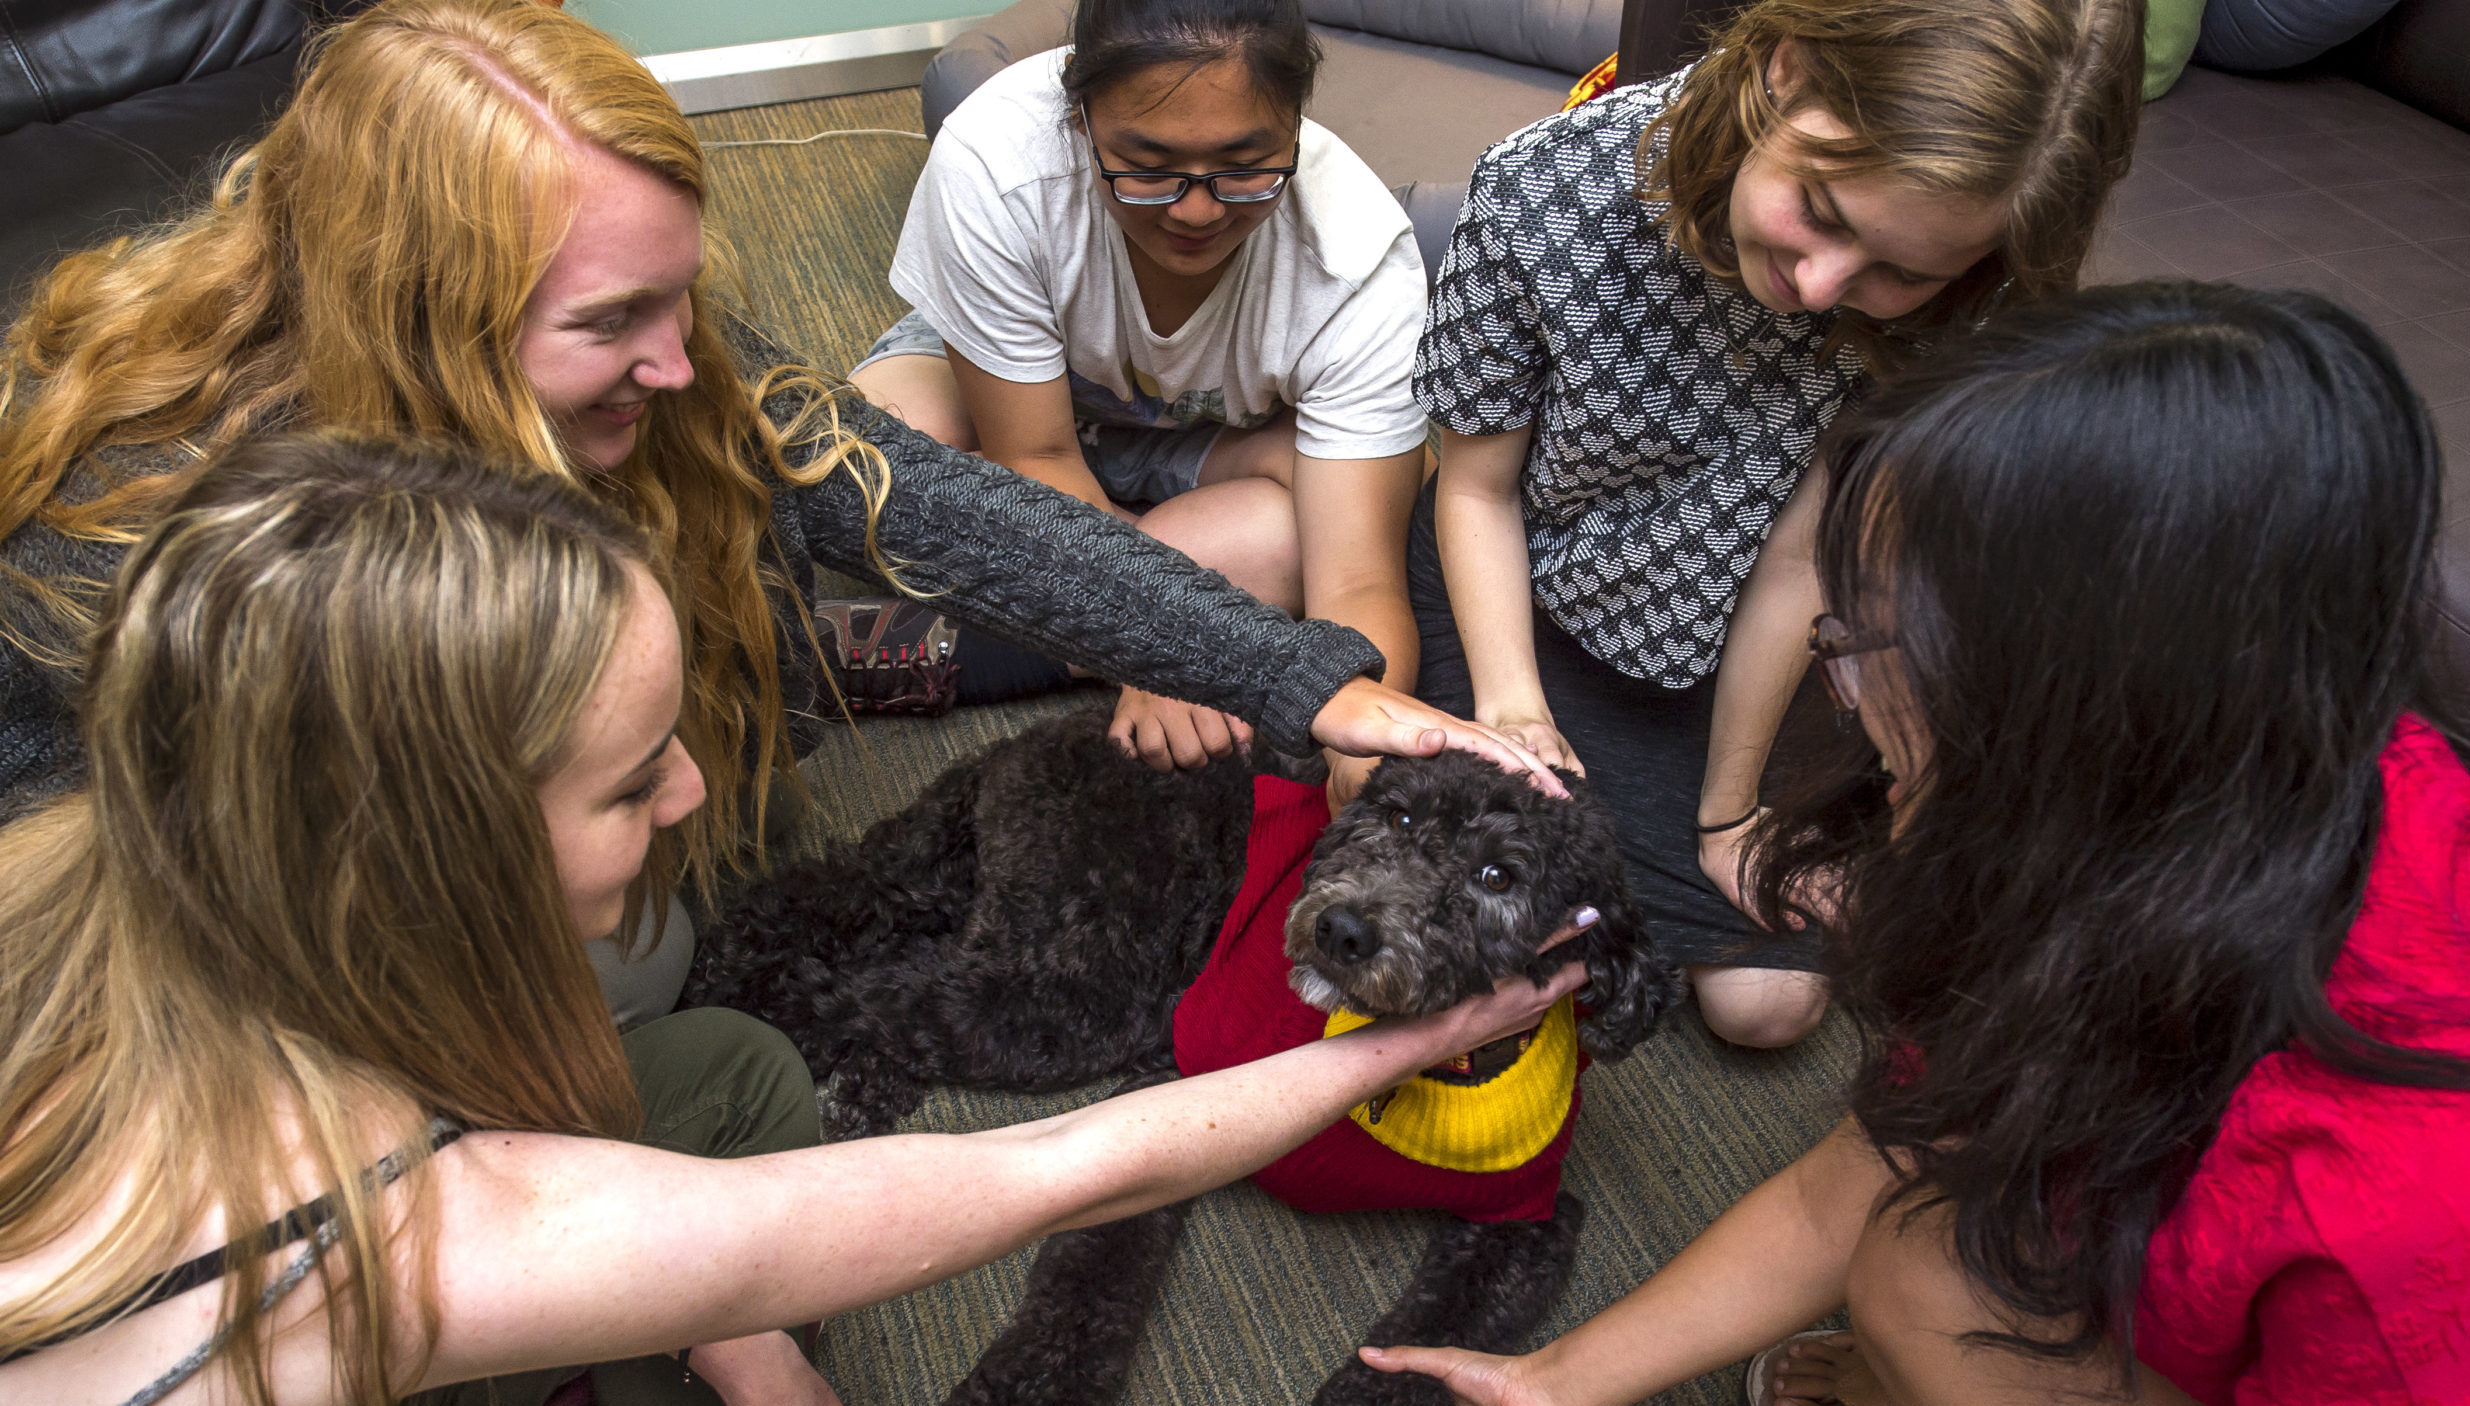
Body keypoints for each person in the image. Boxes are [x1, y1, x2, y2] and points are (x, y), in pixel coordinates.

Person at [0, 432, 1588, 1406]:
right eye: (634, 785)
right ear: (430, 852)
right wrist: (1425, 1036)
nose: (699, 791)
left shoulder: (107, 868)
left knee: (735, 1073)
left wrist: (757, 1370)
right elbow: (1053, 1171)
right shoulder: (381, 1222)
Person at [1363, 283, 2470, 1406]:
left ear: (2075, 703)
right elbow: (1863, 1174)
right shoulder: (2201, 809)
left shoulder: (2428, 1189)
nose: (1848, 694)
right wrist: (1551, 1383)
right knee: (1914, 1268)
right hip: (2253, 1301)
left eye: (1871, 643)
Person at [0, 0, 1553, 1023]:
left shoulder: (650, 361)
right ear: (430, 316)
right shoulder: (138, 533)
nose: (684, 367)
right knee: (659, 975)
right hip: (267, 940)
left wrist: (1306, 682)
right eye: (615, 325)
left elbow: (941, 505)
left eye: (682, 303)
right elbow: (97, 924)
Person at [1411, 0, 2141, 1047]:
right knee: (1486, 931)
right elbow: (1474, 490)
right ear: (1783, 72)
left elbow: (1802, 556)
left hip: (1735, 629)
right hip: (1519, 589)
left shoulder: (1965, 292)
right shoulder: (1538, 187)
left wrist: (1728, 811)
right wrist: (1514, 706)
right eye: (1822, 209)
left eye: (1899, 272)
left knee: (1766, 1005)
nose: (1820, 287)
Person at [858, 0, 1429, 775]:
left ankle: (966, 646)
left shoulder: (1358, 263)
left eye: (1242, 165)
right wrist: (1171, 646)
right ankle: (1190, 588)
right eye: (1149, 168)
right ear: (1080, 116)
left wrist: (1363, 768)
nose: (1196, 210)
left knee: (1323, 531)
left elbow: (1359, 582)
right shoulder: (995, 160)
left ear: (1296, 121)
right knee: (866, 467)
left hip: (1216, 442)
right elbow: (1037, 455)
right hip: (1022, 416)